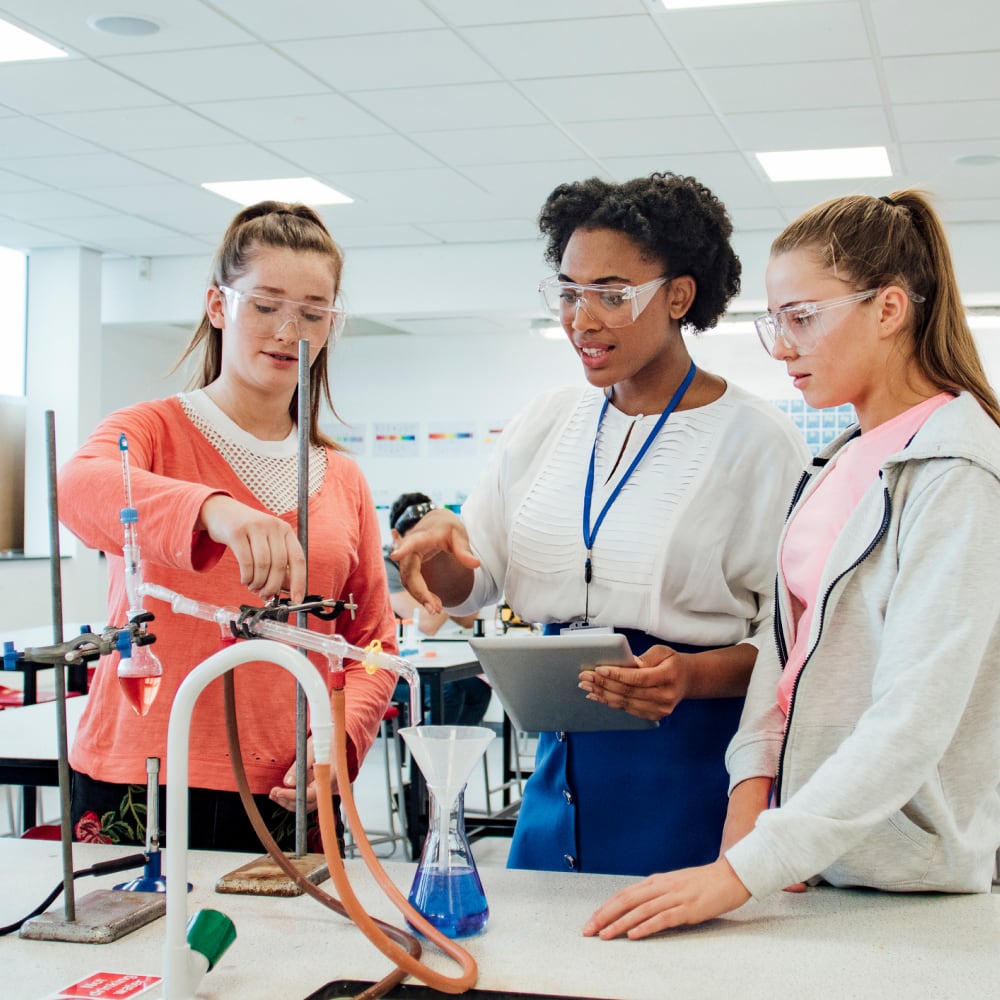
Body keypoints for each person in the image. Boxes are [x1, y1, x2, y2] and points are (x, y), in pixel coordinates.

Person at [584, 188, 1000, 939]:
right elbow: (785, 662)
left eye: (803, 318)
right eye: (775, 321)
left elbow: (913, 715)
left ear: (889, 309)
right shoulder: (837, 466)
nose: (782, 347)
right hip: (807, 867)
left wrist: (749, 867)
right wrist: (748, 828)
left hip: (905, 889)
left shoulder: (957, 471)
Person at [392, 172, 810, 876]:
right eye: (569, 292)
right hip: (556, 769)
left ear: (679, 296)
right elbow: (474, 584)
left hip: (689, 765)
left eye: (612, 295)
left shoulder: (758, 440)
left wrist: (690, 676)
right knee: (541, 970)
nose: (581, 319)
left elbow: (792, 643)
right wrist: (434, 547)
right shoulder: (547, 422)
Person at [59, 201, 398, 852]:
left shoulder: (342, 477)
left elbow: (375, 641)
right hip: (141, 778)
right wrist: (213, 509)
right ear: (219, 306)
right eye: (265, 305)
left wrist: (342, 735)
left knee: (280, 956)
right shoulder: (150, 431)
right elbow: (77, 491)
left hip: (284, 789)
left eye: (312, 310)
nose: (288, 330)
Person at [384, 492, 492, 727]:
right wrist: (447, 582)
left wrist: (447, 570)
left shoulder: (429, 563)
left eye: (431, 543)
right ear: (396, 536)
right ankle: (426, 761)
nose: (426, 551)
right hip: (389, 669)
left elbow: (468, 617)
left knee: (479, 690)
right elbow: (427, 622)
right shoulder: (388, 565)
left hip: (429, 662)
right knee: (448, 692)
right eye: (418, 540)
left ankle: (453, 758)